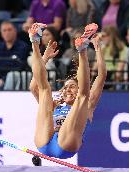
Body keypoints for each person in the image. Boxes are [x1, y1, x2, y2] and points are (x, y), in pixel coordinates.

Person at [28, 23, 107, 159]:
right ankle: (35, 41)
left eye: (72, 86)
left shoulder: (88, 107)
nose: (67, 89)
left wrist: (98, 48)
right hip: (44, 143)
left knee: (83, 97)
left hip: (66, 146)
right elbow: (34, 87)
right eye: (66, 87)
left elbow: (101, 76)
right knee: (45, 90)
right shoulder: (55, 105)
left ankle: (82, 50)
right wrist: (45, 58)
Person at [0, 21, 29, 90]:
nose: (7, 33)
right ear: (1, 33)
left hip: (12, 79)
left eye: (9, 30)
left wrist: (3, 79)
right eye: (4, 30)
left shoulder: (23, 47)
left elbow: (19, 66)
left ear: (15, 31)